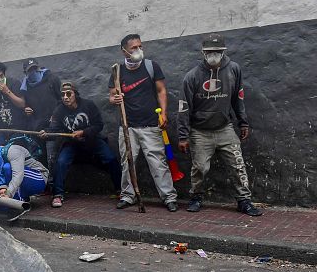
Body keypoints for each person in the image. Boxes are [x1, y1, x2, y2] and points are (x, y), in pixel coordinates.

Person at [178, 33, 262, 216]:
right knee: (200, 167)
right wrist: (183, 135)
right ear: (203, 52)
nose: (213, 54)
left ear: (223, 52)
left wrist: (243, 123)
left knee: (237, 165)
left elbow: (238, 99)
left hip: (225, 128)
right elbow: (184, 108)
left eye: (217, 51)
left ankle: (244, 201)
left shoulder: (233, 69)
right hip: (200, 131)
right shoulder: (191, 77)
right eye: (209, 51)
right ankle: (196, 197)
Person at [108, 34, 178, 211]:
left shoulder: (151, 66)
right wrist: (115, 98)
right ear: (124, 51)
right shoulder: (117, 71)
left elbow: (161, 91)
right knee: (127, 162)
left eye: (140, 46)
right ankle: (128, 195)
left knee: (157, 162)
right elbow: (111, 96)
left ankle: (169, 197)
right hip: (127, 126)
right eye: (134, 48)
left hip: (150, 124)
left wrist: (163, 113)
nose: (138, 50)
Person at [44, 82, 121, 207]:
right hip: (71, 143)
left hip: (92, 140)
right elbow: (54, 129)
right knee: (61, 162)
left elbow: (99, 125)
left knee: (111, 158)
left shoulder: (88, 105)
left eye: (69, 94)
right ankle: (57, 194)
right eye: (63, 94)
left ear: (75, 94)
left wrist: (83, 132)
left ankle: (120, 190)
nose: (65, 97)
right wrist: (46, 133)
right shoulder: (59, 110)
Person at [0, 140, 49, 209]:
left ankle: (18, 200)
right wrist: (2, 189)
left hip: (38, 178)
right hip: (17, 185)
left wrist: (8, 193)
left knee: (7, 167)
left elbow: (18, 175)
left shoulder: (12, 151)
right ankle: (20, 199)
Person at [21, 58, 62, 170]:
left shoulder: (52, 79)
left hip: (53, 126)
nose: (33, 72)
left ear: (39, 68)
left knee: (53, 157)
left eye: (35, 68)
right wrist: (26, 109)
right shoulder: (25, 87)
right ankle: (45, 184)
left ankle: (56, 184)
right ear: (25, 73)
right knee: (40, 158)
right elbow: (24, 106)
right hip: (37, 128)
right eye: (30, 70)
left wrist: (56, 115)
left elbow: (61, 100)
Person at [0, 62, 27, 145]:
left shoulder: (14, 83)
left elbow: (22, 104)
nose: (0, 79)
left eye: (1, 76)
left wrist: (7, 92)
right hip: (2, 129)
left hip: (18, 127)